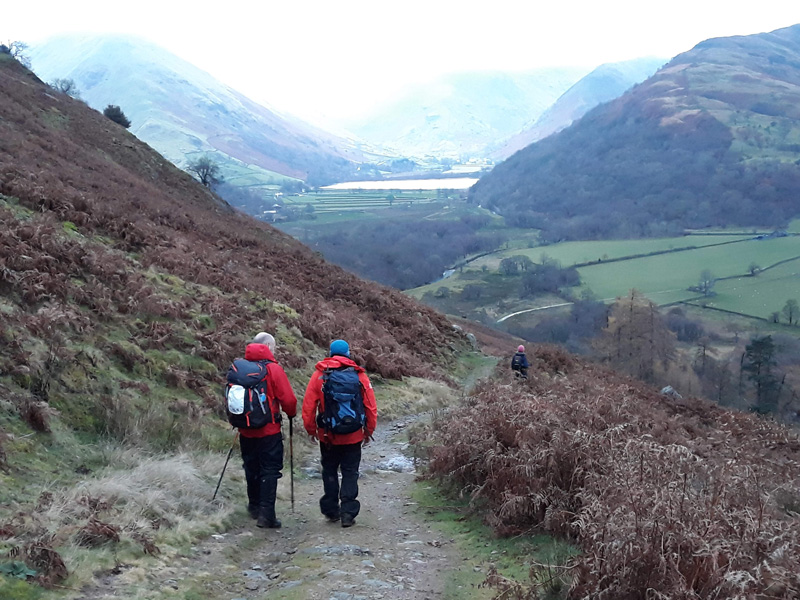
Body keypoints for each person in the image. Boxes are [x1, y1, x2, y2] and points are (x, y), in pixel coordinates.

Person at [302, 339, 377, 528]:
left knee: (329, 470)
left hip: (328, 435)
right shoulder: (360, 376)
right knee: (350, 472)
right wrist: (368, 431)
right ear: (348, 354)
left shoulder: (320, 375)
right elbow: (370, 407)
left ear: (330, 353)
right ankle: (348, 513)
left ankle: (331, 510)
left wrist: (312, 430)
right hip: (353, 435)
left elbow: (308, 406)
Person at [236, 332, 297, 529]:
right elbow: (288, 399)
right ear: (268, 347)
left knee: (251, 467)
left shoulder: (239, 368)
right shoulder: (273, 369)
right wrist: (291, 413)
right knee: (269, 470)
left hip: (245, 429)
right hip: (268, 430)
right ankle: (266, 515)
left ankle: (253, 507)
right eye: (275, 347)